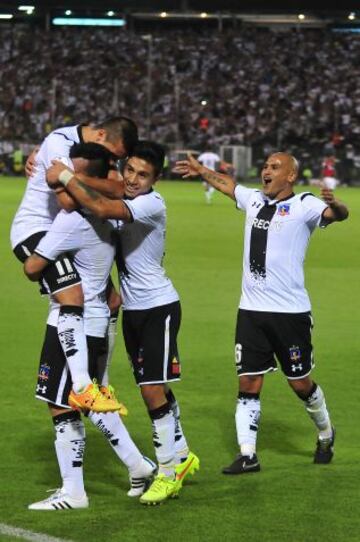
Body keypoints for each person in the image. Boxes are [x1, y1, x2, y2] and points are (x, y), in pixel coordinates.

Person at [45, 140, 199, 506]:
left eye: (143, 175)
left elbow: (98, 203)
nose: (133, 179)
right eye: (129, 170)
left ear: (156, 179)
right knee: (154, 386)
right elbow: (97, 192)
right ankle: (182, 454)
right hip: (135, 310)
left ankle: (166, 472)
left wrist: (64, 174)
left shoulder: (150, 204)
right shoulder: (130, 197)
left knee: (151, 390)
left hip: (158, 306)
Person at [175, 151, 349, 474]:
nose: (266, 171)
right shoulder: (254, 200)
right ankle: (248, 454)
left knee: (301, 385)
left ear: (291, 176)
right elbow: (229, 186)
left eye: (274, 167)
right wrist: (201, 170)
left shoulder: (304, 205)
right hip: (251, 311)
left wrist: (336, 205)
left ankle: (326, 432)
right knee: (248, 383)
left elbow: (338, 214)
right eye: (266, 166)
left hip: (290, 314)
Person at [23, 143, 156, 510]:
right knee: (85, 401)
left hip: (73, 324)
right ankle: (136, 466)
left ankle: (78, 490)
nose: (61, 185)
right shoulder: (107, 217)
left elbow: (32, 266)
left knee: (63, 404)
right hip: (95, 321)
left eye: (71, 175)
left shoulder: (72, 220)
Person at [10, 117, 138, 411]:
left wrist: (74, 178)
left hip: (70, 232)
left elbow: (122, 189)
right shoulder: (58, 143)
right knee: (72, 296)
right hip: (37, 230)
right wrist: (89, 184)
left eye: (117, 159)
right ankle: (82, 385)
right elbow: (68, 202)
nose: (112, 162)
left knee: (113, 301)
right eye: (114, 154)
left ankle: (102, 383)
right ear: (101, 133)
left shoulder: (95, 151)